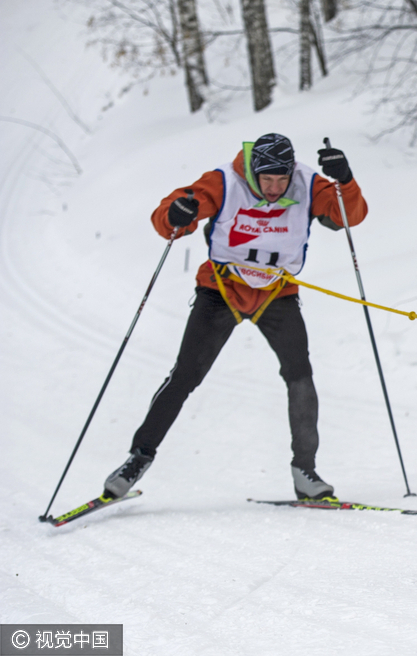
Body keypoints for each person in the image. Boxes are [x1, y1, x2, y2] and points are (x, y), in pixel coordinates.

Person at [102, 133, 367, 501]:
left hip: (277, 292)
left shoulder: (308, 183)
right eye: (266, 180)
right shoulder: (224, 181)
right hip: (221, 290)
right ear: (253, 173)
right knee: (186, 375)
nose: (274, 188)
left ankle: (305, 471)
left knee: (300, 375)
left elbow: (348, 216)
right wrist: (176, 213)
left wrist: (346, 181)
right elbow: (172, 215)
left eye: (281, 180)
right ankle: (138, 458)